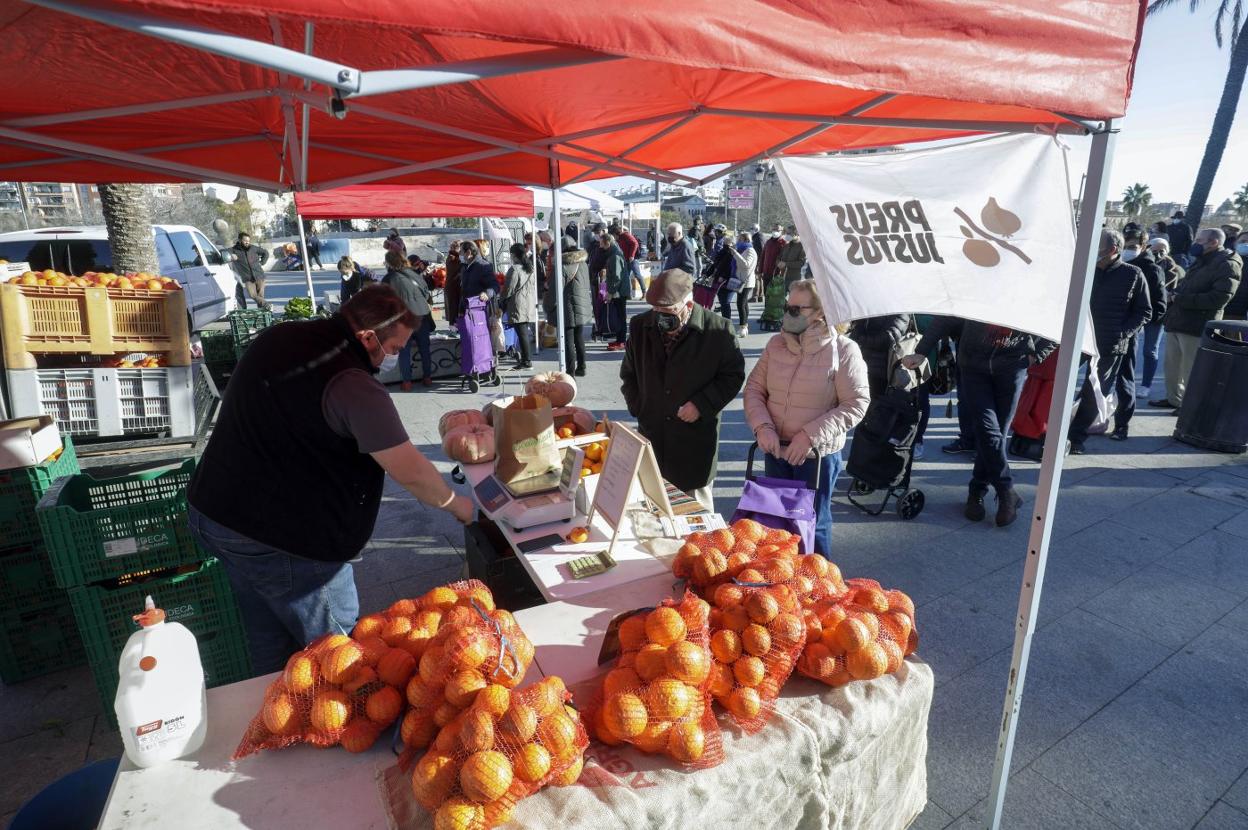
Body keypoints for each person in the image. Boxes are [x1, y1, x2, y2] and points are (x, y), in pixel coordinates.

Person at [186, 285, 474, 675]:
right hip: (286, 540)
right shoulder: (352, 384)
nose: (398, 356)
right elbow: (410, 470)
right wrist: (460, 507)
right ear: (368, 338)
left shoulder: (282, 336)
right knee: (342, 661)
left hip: (216, 515)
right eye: (395, 347)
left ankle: (274, 706)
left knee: (269, 641)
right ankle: (335, 722)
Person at [743, 279, 869, 557]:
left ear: (821, 313)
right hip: (775, 449)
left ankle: (818, 589)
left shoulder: (844, 350)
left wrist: (809, 436)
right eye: (788, 306)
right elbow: (754, 390)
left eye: (797, 309)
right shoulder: (776, 344)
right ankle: (781, 583)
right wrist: (762, 427)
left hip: (816, 457)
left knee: (814, 524)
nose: (788, 313)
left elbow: (856, 403)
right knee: (776, 525)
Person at [905, 319, 1055, 527]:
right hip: (973, 365)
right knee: (988, 429)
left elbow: (1057, 318)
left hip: (1012, 367)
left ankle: (976, 491)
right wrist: (921, 351)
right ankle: (1006, 490)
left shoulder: (1033, 286)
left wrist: (1036, 354)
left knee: (997, 434)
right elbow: (946, 315)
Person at [620, 269, 745, 512]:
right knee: (654, 513)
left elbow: (732, 377)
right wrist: (639, 407)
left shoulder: (718, 331)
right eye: (656, 311)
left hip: (694, 443)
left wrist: (701, 404)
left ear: (688, 304)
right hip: (653, 436)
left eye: (667, 313)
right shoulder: (640, 326)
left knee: (696, 520)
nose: (659, 320)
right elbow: (629, 374)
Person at [1068, 229, 1151, 451]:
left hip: (1110, 344)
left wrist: (1122, 332)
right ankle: (1048, 429)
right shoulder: (1084, 270)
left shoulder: (1133, 274)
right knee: (1060, 384)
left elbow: (1144, 311)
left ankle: (1075, 438)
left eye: (1097, 245)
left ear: (1112, 249)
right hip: (1077, 340)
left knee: (1093, 392)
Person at [1150, 227, 1241, 409]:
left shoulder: (1227, 263)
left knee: (1190, 371)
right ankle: (1174, 399)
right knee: (1172, 367)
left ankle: (1189, 406)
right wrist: (1175, 293)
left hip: (1197, 325)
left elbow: (1219, 298)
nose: (1195, 244)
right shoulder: (1202, 260)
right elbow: (1189, 285)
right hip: (1178, 320)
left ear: (1214, 242)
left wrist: (1180, 299)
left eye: (1199, 241)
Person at [1118, 231, 1166, 408]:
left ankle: (1145, 385)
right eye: (1125, 246)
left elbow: (1159, 303)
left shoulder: (1152, 269)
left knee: (1149, 351)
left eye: (1132, 247)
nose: (1127, 250)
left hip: (1144, 321)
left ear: (1144, 247)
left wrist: (1137, 324)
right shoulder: (1119, 265)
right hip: (1123, 323)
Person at [382, 250, 435, 390]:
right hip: (422, 315)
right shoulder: (413, 273)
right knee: (424, 348)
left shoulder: (388, 278)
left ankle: (407, 382)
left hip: (403, 319)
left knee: (404, 351)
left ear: (389, 263)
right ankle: (428, 378)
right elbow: (425, 292)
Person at [543, 236, 592, 376]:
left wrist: (547, 307)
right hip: (582, 306)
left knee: (568, 341)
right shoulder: (583, 263)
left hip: (568, 308)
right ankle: (582, 367)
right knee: (579, 337)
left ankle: (570, 374)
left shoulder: (562, 266)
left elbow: (553, 291)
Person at [848, 314, 912, 399]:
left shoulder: (900, 309)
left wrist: (860, 339)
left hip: (881, 369)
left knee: (874, 404)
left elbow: (889, 338)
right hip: (859, 364)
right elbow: (857, 330)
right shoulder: (872, 307)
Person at [502, 242, 537, 369]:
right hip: (528, 302)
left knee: (522, 333)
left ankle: (526, 361)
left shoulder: (515, 269)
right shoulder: (530, 268)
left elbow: (508, 289)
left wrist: (501, 302)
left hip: (518, 303)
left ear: (513, 255)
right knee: (523, 332)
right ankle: (525, 359)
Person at [599, 233, 629, 351]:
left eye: (602, 243)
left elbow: (617, 277)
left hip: (619, 292)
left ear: (608, 243)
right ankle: (620, 339)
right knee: (619, 316)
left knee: (620, 316)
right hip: (619, 290)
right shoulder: (615, 253)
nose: (601, 246)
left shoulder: (615, 256)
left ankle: (622, 341)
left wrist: (610, 292)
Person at [729, 231, 759, 335]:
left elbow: (746, 265)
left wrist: (735, 254)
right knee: (744, 303)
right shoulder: (743, 249)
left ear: (746, 240)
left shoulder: (750, 250)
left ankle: (743, 326)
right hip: (740, 279)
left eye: (740, 239)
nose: (738, 241)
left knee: (740, 303)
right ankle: (745, 326)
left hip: (746, 281)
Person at [231, 232, 270, 310]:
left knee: (260, 296)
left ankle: (262, 313)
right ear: (239, 240)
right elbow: (223, 252)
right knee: (252, 295)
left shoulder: (253, 248)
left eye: (248, 240)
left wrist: (262, 262)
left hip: (259, 276)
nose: (247, 242)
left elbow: (265, 253)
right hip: (247, 278)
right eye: (245, 240)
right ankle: (266, 305)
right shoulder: (234, 250)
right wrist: (231, 255)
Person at [610, 224, 643, 299]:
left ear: (615, 233)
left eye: (613, 235)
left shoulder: (625, 235)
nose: (613, 237)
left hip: (632, 259)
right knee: (626, 277)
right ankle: (628, 294)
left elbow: (635, 243)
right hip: (626, 259)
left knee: (637, 275)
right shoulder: (618, 239)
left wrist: (632, 255)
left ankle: (644, 292)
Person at [1224, 230, 1248, 323]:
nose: (1246, 245)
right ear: (1235, 243)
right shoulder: (1223, 258)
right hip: (1213, 309)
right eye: (1242, 241)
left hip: (1237, 313)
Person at [761, 224, 786, 294]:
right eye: (774, 229)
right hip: (766, 272)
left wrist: (782, 274)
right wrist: (760, 270)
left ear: (781, 231)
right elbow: (763, 256)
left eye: (777, 230)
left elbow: (784, 259)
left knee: (775, 295)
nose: (775, 231)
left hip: (777, 274)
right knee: (766, 293)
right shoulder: (768, 242)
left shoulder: (783, 243)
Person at [443, 240, 463, 323]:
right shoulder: (455, 257)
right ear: (457, 248)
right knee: (454, 307)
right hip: (454, 285)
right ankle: (454, 326)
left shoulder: (451, 256)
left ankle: (454, 325)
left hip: (451, 285)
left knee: (453, 307)